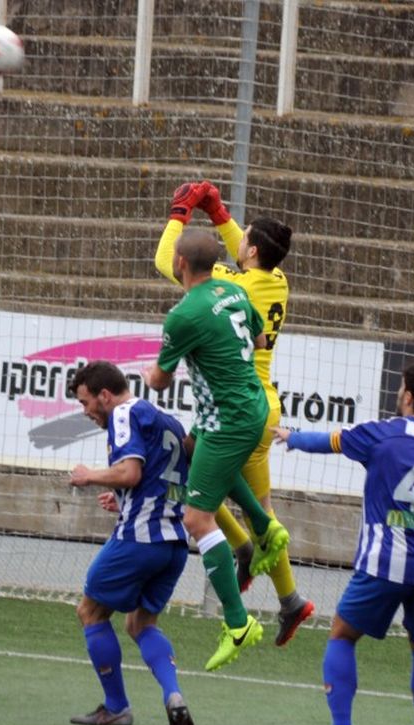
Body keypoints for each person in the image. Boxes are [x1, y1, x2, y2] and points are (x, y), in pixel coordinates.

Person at [272, 359, 414, 725]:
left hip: (383, 560)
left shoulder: (380, 435)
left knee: (342, 634)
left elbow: (329, 441)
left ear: (409, 396)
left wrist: (290, 436)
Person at [155, 181, 314, 646]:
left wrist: (181, 212)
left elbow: (169, 260)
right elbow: (237, 248)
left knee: (211, 499)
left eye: (242, 235)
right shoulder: (273, 278)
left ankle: (258, 574)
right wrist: (218, 210)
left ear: (252, 249)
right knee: (225, 485)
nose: (235, 237)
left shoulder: (228, 286)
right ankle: (286, 595)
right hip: (260, 401)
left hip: (240, 405)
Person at [142, 227, 288, 671]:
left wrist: (155, 367)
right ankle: (265, 529)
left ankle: (237, 622)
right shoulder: (234, 290)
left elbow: (159, 381)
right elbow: (260, 342)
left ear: (181, 264)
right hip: (248, 407)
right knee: (191, 449)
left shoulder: (184, 315)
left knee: (196, 517)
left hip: (227, 420)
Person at [66, 361, 194, 725]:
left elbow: (131, 472)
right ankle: (174, 695)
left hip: (140, 538)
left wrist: (89, 476)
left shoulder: (122, 413)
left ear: (105, 395)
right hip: (174, 544)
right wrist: (122, 498)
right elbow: (154, 480)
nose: (85, 411)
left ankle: (116, 707)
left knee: (90, 612)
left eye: (86, 402)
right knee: (140, 623)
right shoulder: (167, 421)